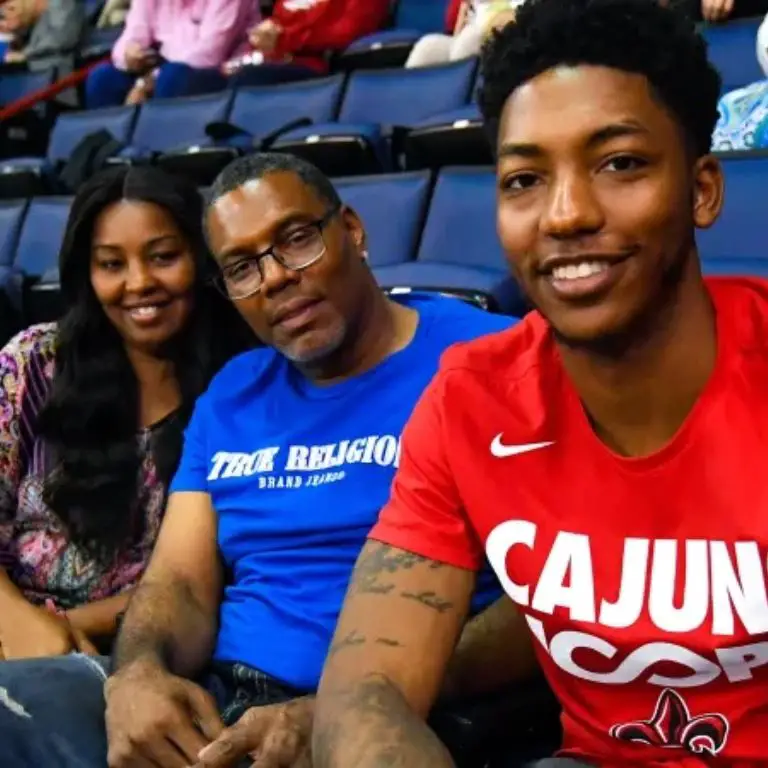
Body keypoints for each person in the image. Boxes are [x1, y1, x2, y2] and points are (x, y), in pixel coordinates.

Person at [311, 0, 768, 766]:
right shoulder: (471, 397)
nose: (564, 214)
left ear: (702, 189)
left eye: (620, 163)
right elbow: (367, 688)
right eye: (524, 178)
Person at [0, 153, 534, 768]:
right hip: (220, 704)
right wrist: (138, 675)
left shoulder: (493, 359)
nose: (276, 278)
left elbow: (559, 588)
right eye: (243, 267)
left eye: (296, 240)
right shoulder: (233, 392)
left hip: (415, 710)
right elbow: (179, 582)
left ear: (353, 231)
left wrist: (357, 706)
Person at [0, 165, 252, 664]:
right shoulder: (33, 362)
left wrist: (61, 632)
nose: (139, 284)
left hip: (145, 655)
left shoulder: (246, 382)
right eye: (111, 264)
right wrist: (15, 621)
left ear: (202, 259)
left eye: (163, 258)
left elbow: (218, 582)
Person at [85, 0, 259, 108]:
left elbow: (209, 54)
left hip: (219, 73)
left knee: (172, 77)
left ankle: (159, 153)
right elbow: (132, 36)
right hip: (158, 70)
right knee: (102, 78)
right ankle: (108, 157)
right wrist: (130, 55)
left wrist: (147, 81)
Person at [225, 0, 389, 85]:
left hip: (317, 67)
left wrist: (286, 38)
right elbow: (277, 25)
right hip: (271, 60)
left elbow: (348, 33)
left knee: (248, 76)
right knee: (207, 79)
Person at [406, 0, 522, 69]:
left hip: (503, 45)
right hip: (470, 37)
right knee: (428, 45)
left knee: (471, 37)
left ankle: (453, 89)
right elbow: (457, 36)